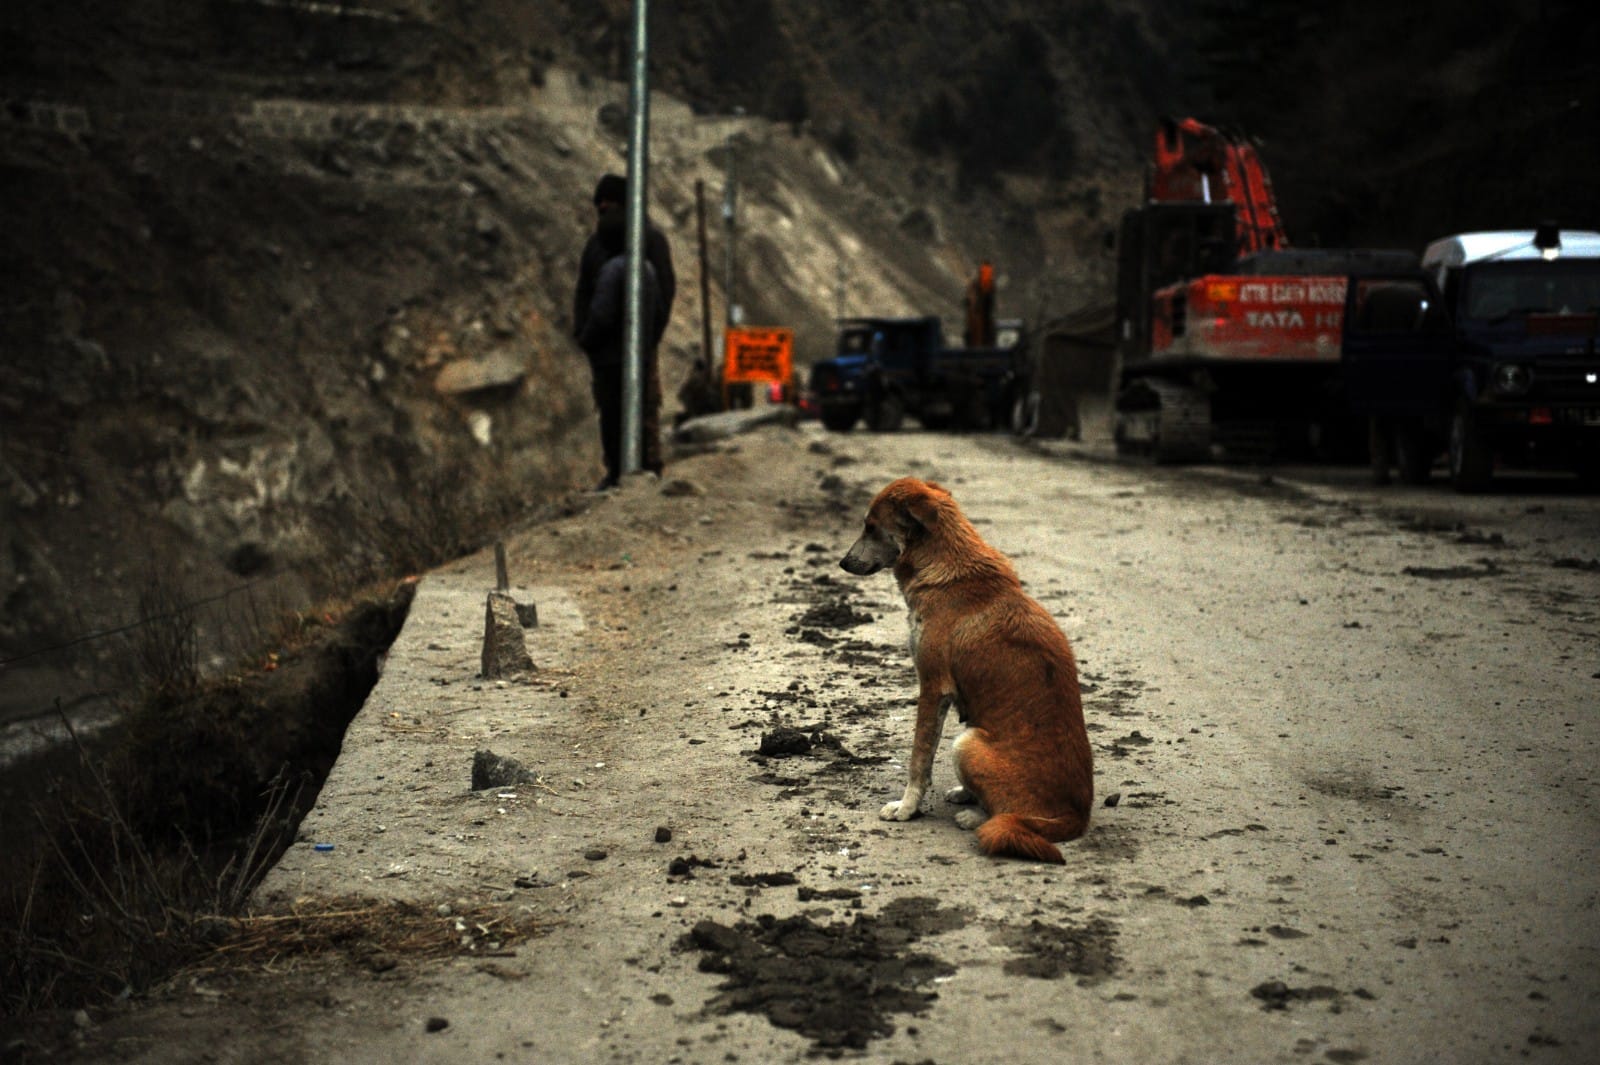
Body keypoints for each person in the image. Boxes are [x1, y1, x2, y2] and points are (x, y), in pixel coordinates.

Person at [573, 173, 676, 488]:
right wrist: (586, 336)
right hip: (603, 347)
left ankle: (645, 469)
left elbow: (663, 294)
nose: (603, 207)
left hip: (636, 344)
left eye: (611, 201)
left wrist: (646, 340)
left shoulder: (650, 239)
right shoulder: (596, 245)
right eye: (599, 202)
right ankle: (617, 470)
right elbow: (584, 293)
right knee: (610, 408)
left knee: (642, 406)